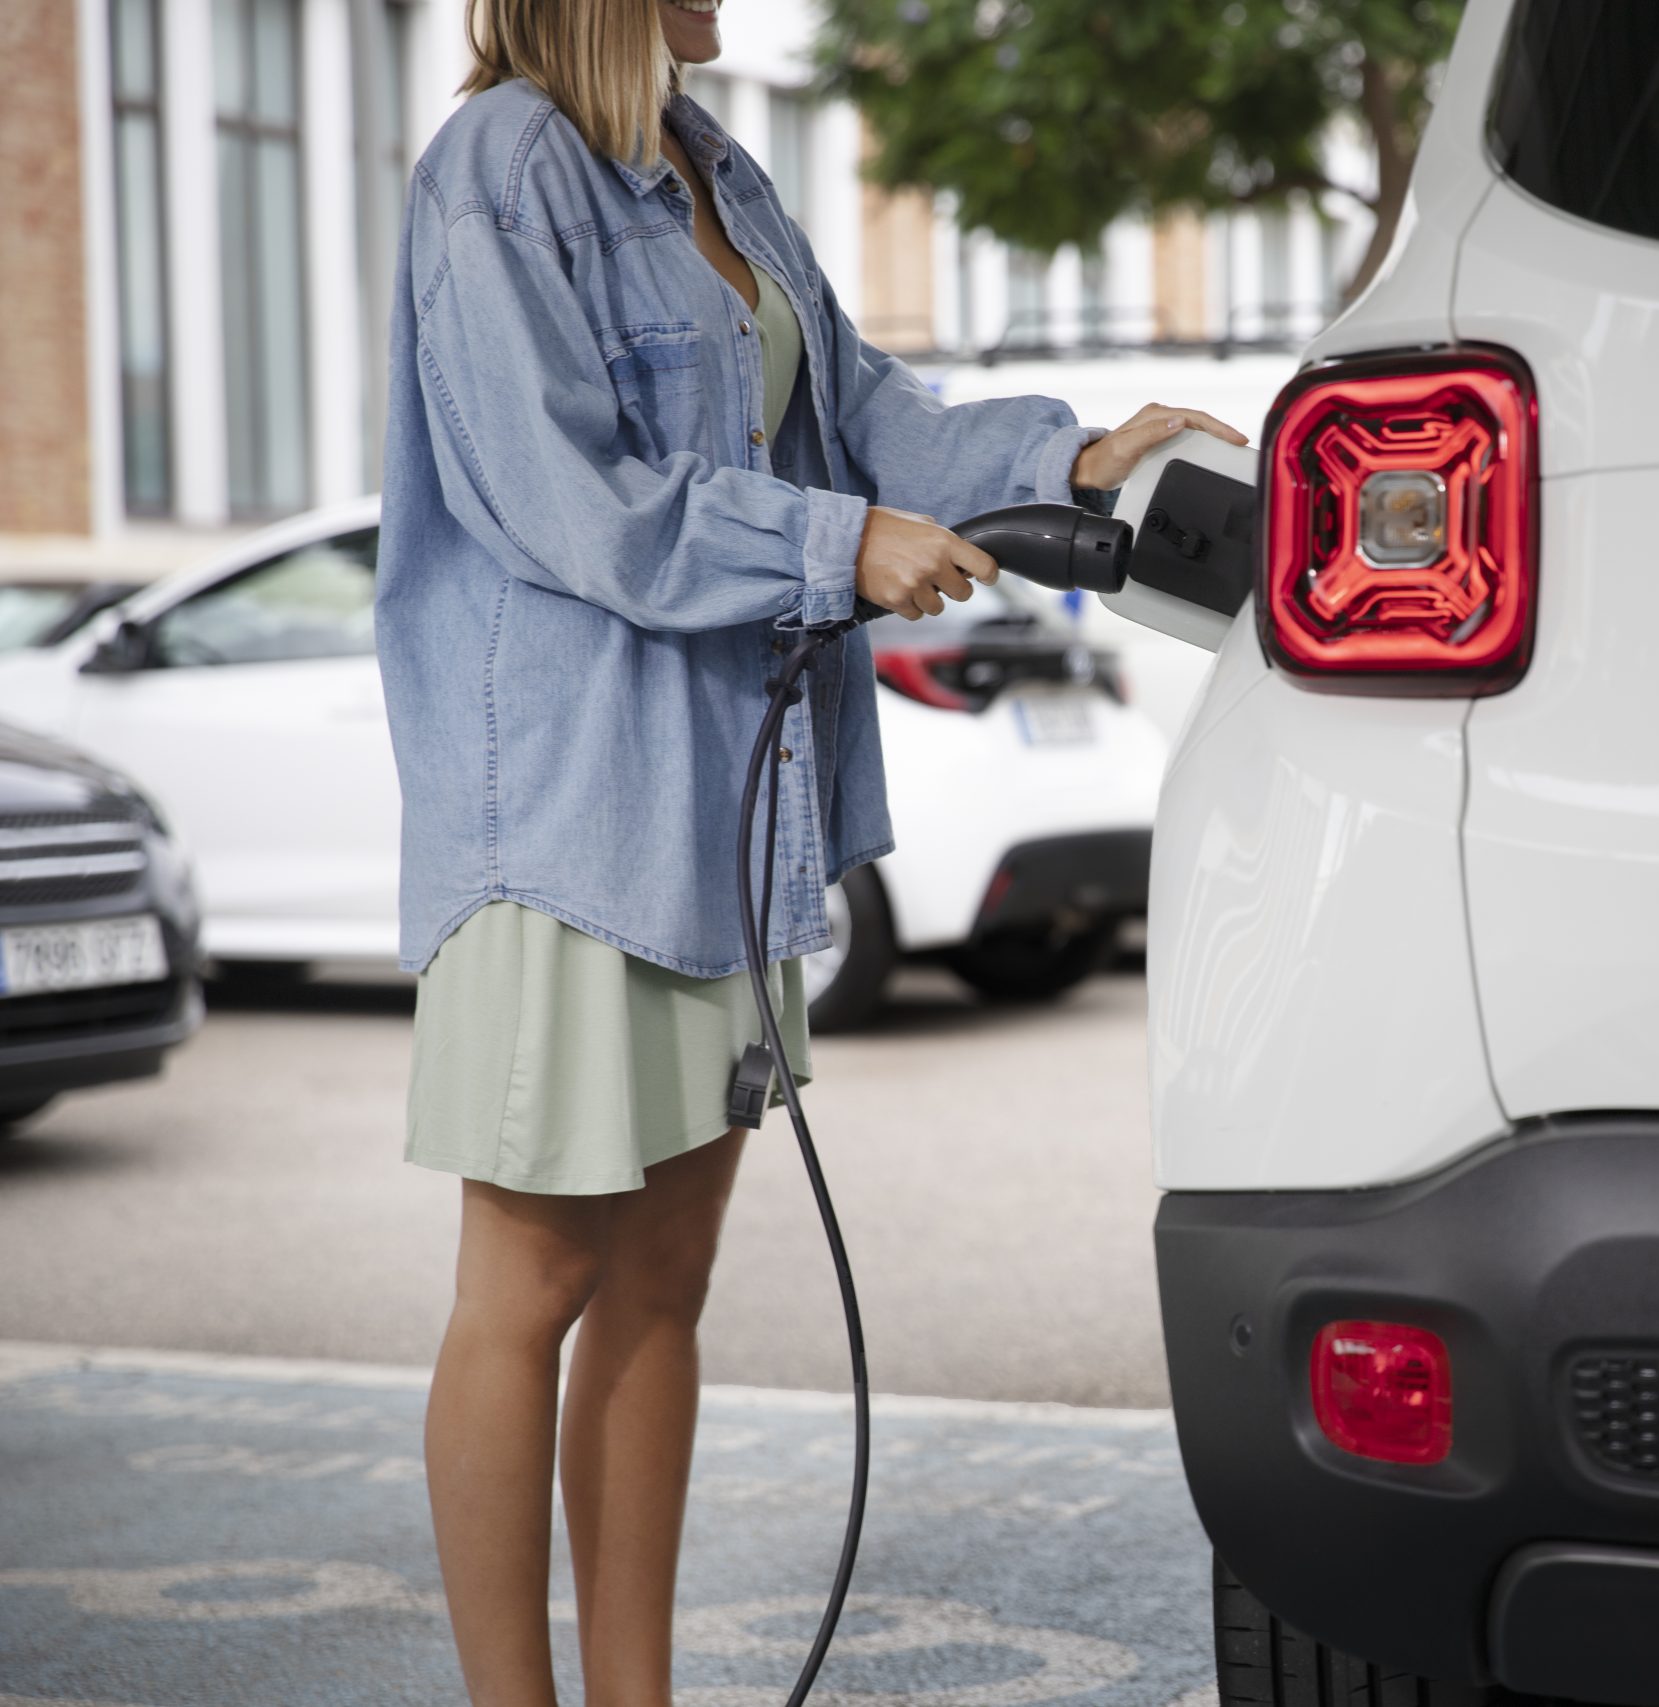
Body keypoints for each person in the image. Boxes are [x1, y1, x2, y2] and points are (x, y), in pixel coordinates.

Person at [374, 1, 1246, 1700]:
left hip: (731, 803)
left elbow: (853, 404)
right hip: (566, 810)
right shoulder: (498, 171)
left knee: (665, 1282)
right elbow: (571, 498)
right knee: (533, 1278)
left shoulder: (713, 165)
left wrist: (1061, 454)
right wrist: (841, 549)